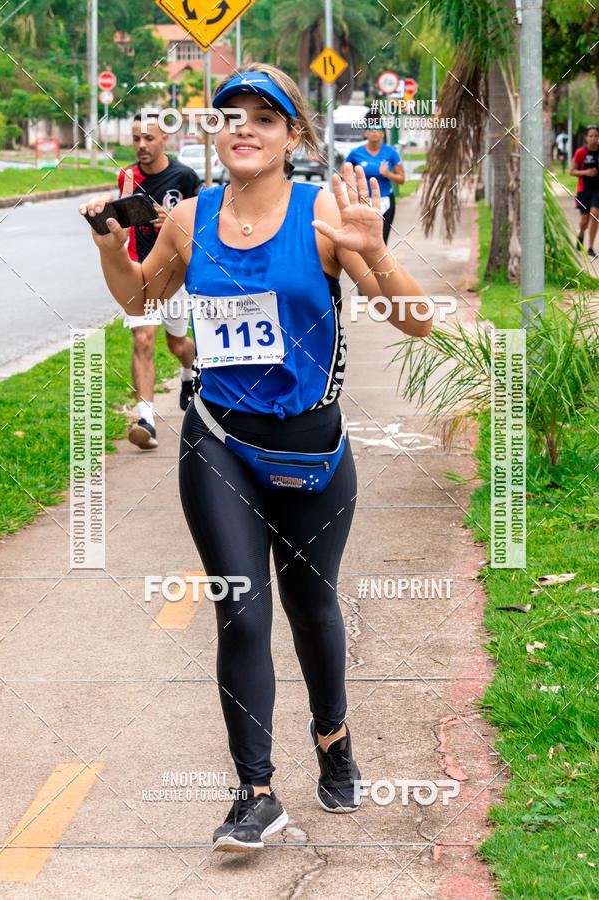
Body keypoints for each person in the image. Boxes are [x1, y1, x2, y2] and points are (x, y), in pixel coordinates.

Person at [79, 63, 430, 853]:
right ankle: (256, 792)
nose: (243, 129)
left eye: (264, 118)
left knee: (313, 606)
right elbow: (139, 299)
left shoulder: (325, 211)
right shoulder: (188, 218)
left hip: (311, 449)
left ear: (292, 135)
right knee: (240, 607)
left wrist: (375, 251)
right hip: (219, 440)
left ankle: (333, 738)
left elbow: (416, 322)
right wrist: (109, 246)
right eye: (228, 116)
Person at [118, 112, 201, 450]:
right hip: (138, 270)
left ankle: (189, 375)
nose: (141, 145)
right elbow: (121, 225)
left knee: (178, 344)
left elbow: (204, 225)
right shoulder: (127, 176)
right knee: (143, 339)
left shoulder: (185, 177)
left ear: (165, 138)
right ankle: (146, 421)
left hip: (174, 272)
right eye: (136, 138)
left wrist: (175, 221)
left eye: (148, 138)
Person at [344, 110, 405, 244]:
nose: (374, 131)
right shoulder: (356, 153)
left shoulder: (391, 152)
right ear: (366, 133)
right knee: (364, 240)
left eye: (378, 128)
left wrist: (388, 174)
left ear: (383, 133)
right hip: (363, 201)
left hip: (385, 201)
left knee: (381, 241)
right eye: (371, 128)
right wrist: (354, 183)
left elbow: (401, 179)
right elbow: (344, 172)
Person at [570, 125, 599, 258]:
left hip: (597, 189)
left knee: (595, 214)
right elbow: (571, 171)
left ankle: (590, 247)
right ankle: (581, 234)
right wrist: (586, 172)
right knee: (584, 221)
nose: (593, 138)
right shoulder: (581, 152)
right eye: (591, 136)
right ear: (586, 138)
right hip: (584, 190)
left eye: (596, 136)